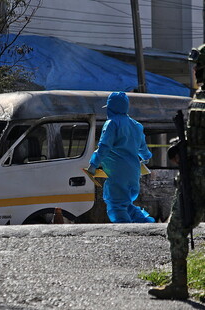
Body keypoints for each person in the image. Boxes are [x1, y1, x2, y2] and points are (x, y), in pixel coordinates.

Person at [148, 45, 205, 300]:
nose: (193, 71)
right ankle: (179, 284)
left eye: (197, 66)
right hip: (193, 175)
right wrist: (179, 148)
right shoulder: (199, 97)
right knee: (177, 227)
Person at [87, 91, 155, 223]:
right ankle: (147, 224)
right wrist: (146, 157)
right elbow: (143, 149)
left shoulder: (112, 123)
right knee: (127, 204)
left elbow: (104, 146)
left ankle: (125, 234)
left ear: (111, 107)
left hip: (118, 173)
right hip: (134, 173)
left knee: (116, 206)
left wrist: (93, 164)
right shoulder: (136, 125)